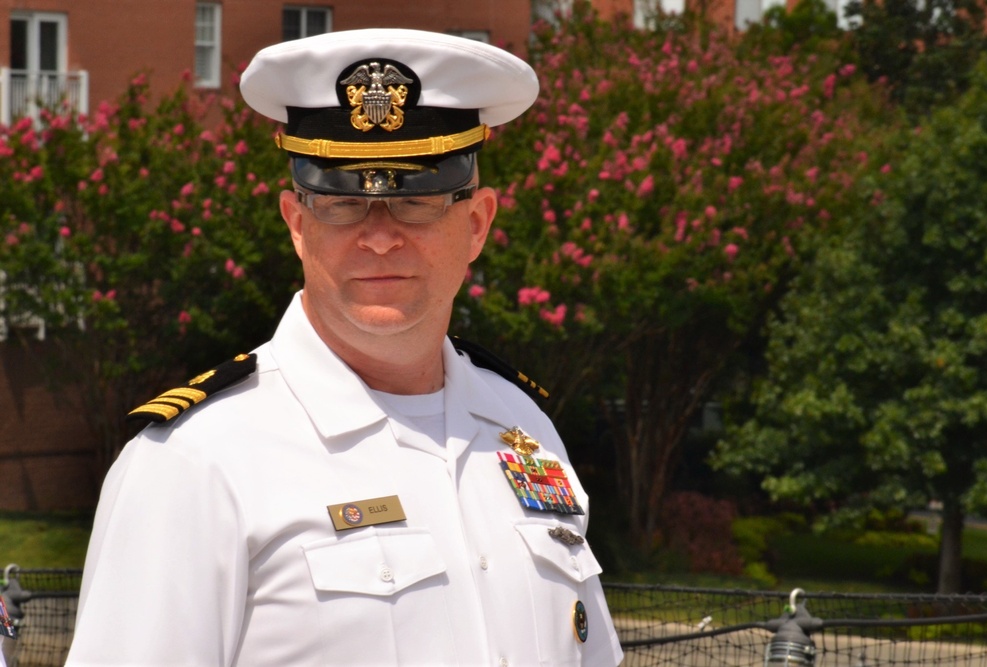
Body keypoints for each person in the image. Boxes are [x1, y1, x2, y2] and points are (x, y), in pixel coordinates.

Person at [66, 28, 623, 666]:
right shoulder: (197, 463)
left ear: (476, 224)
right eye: (342, 205)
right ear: (298, 225)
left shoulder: (522, 428)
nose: (380, 238)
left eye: (416, 202)